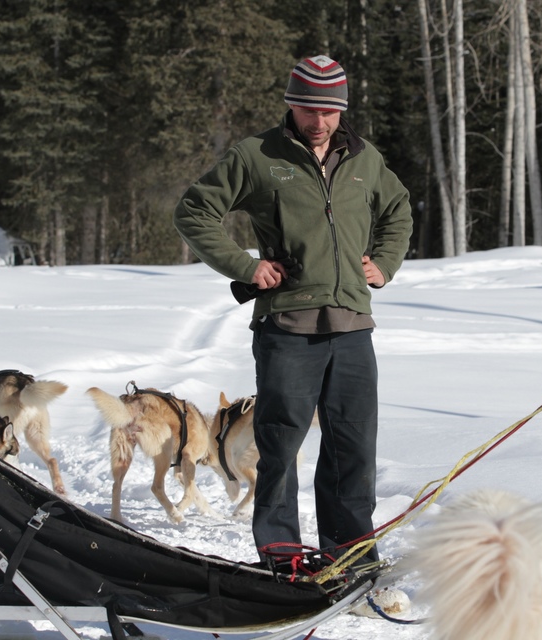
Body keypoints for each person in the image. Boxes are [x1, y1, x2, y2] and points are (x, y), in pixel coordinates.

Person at [173, 55, 412, 565]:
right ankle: (282, 556)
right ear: (290, 104)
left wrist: (385, 262)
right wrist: (244, 266)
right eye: (308, 109)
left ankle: (349, 554)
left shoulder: (364, 159)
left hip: (351, 326)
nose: (319, 121)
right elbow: (194, 210)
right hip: (287, 328)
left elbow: (397, 210)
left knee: (353, 450)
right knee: (278, 449)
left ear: (341, 110)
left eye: (329, 111)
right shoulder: (258, 155)